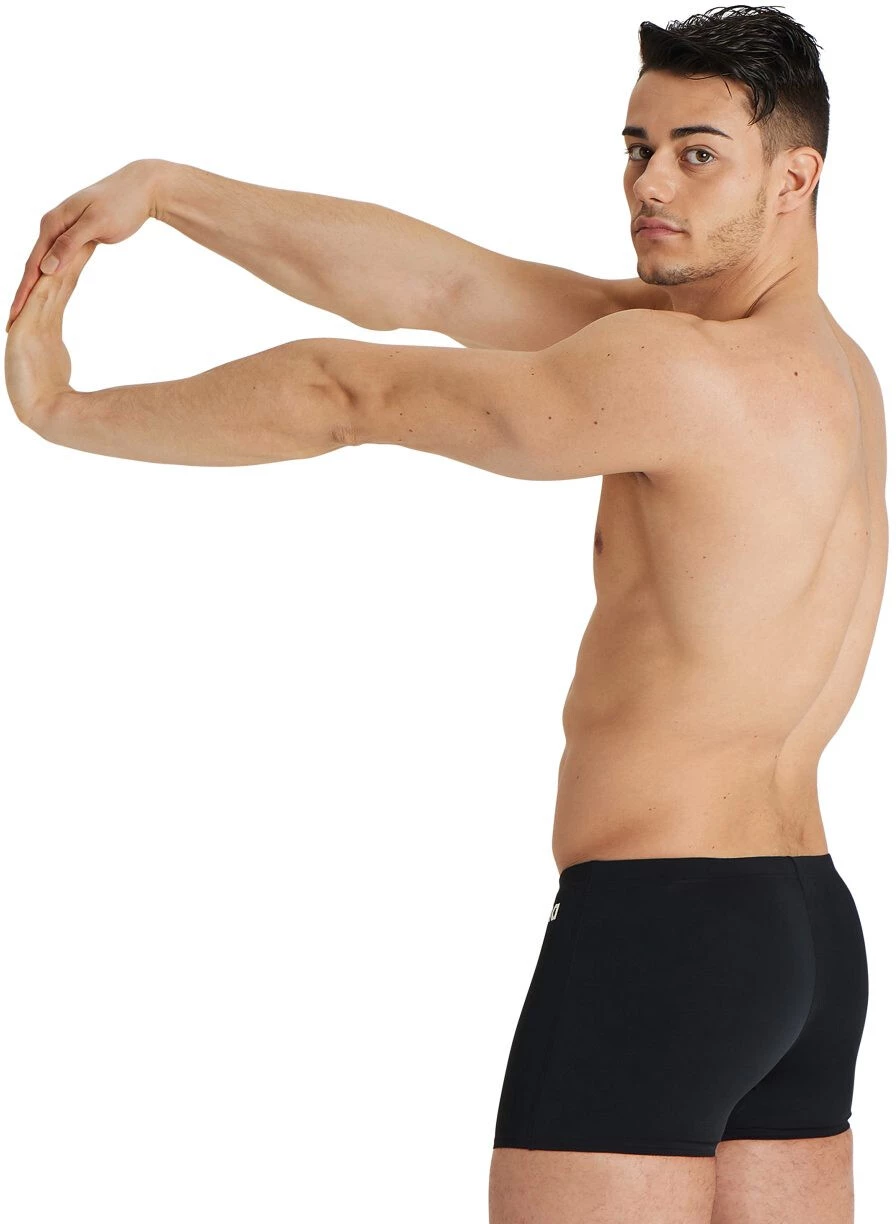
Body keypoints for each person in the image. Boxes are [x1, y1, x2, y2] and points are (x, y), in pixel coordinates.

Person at [4, 5, 884, 1221]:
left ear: (794, 178)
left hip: (662, 933)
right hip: (805, 937)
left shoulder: (674, 370)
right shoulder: (834, 373)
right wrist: (168, 190)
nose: (648, 184)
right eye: (635, 148)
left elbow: (346, 391)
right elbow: (445, 282)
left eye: (696, 154)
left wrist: (66, 410)